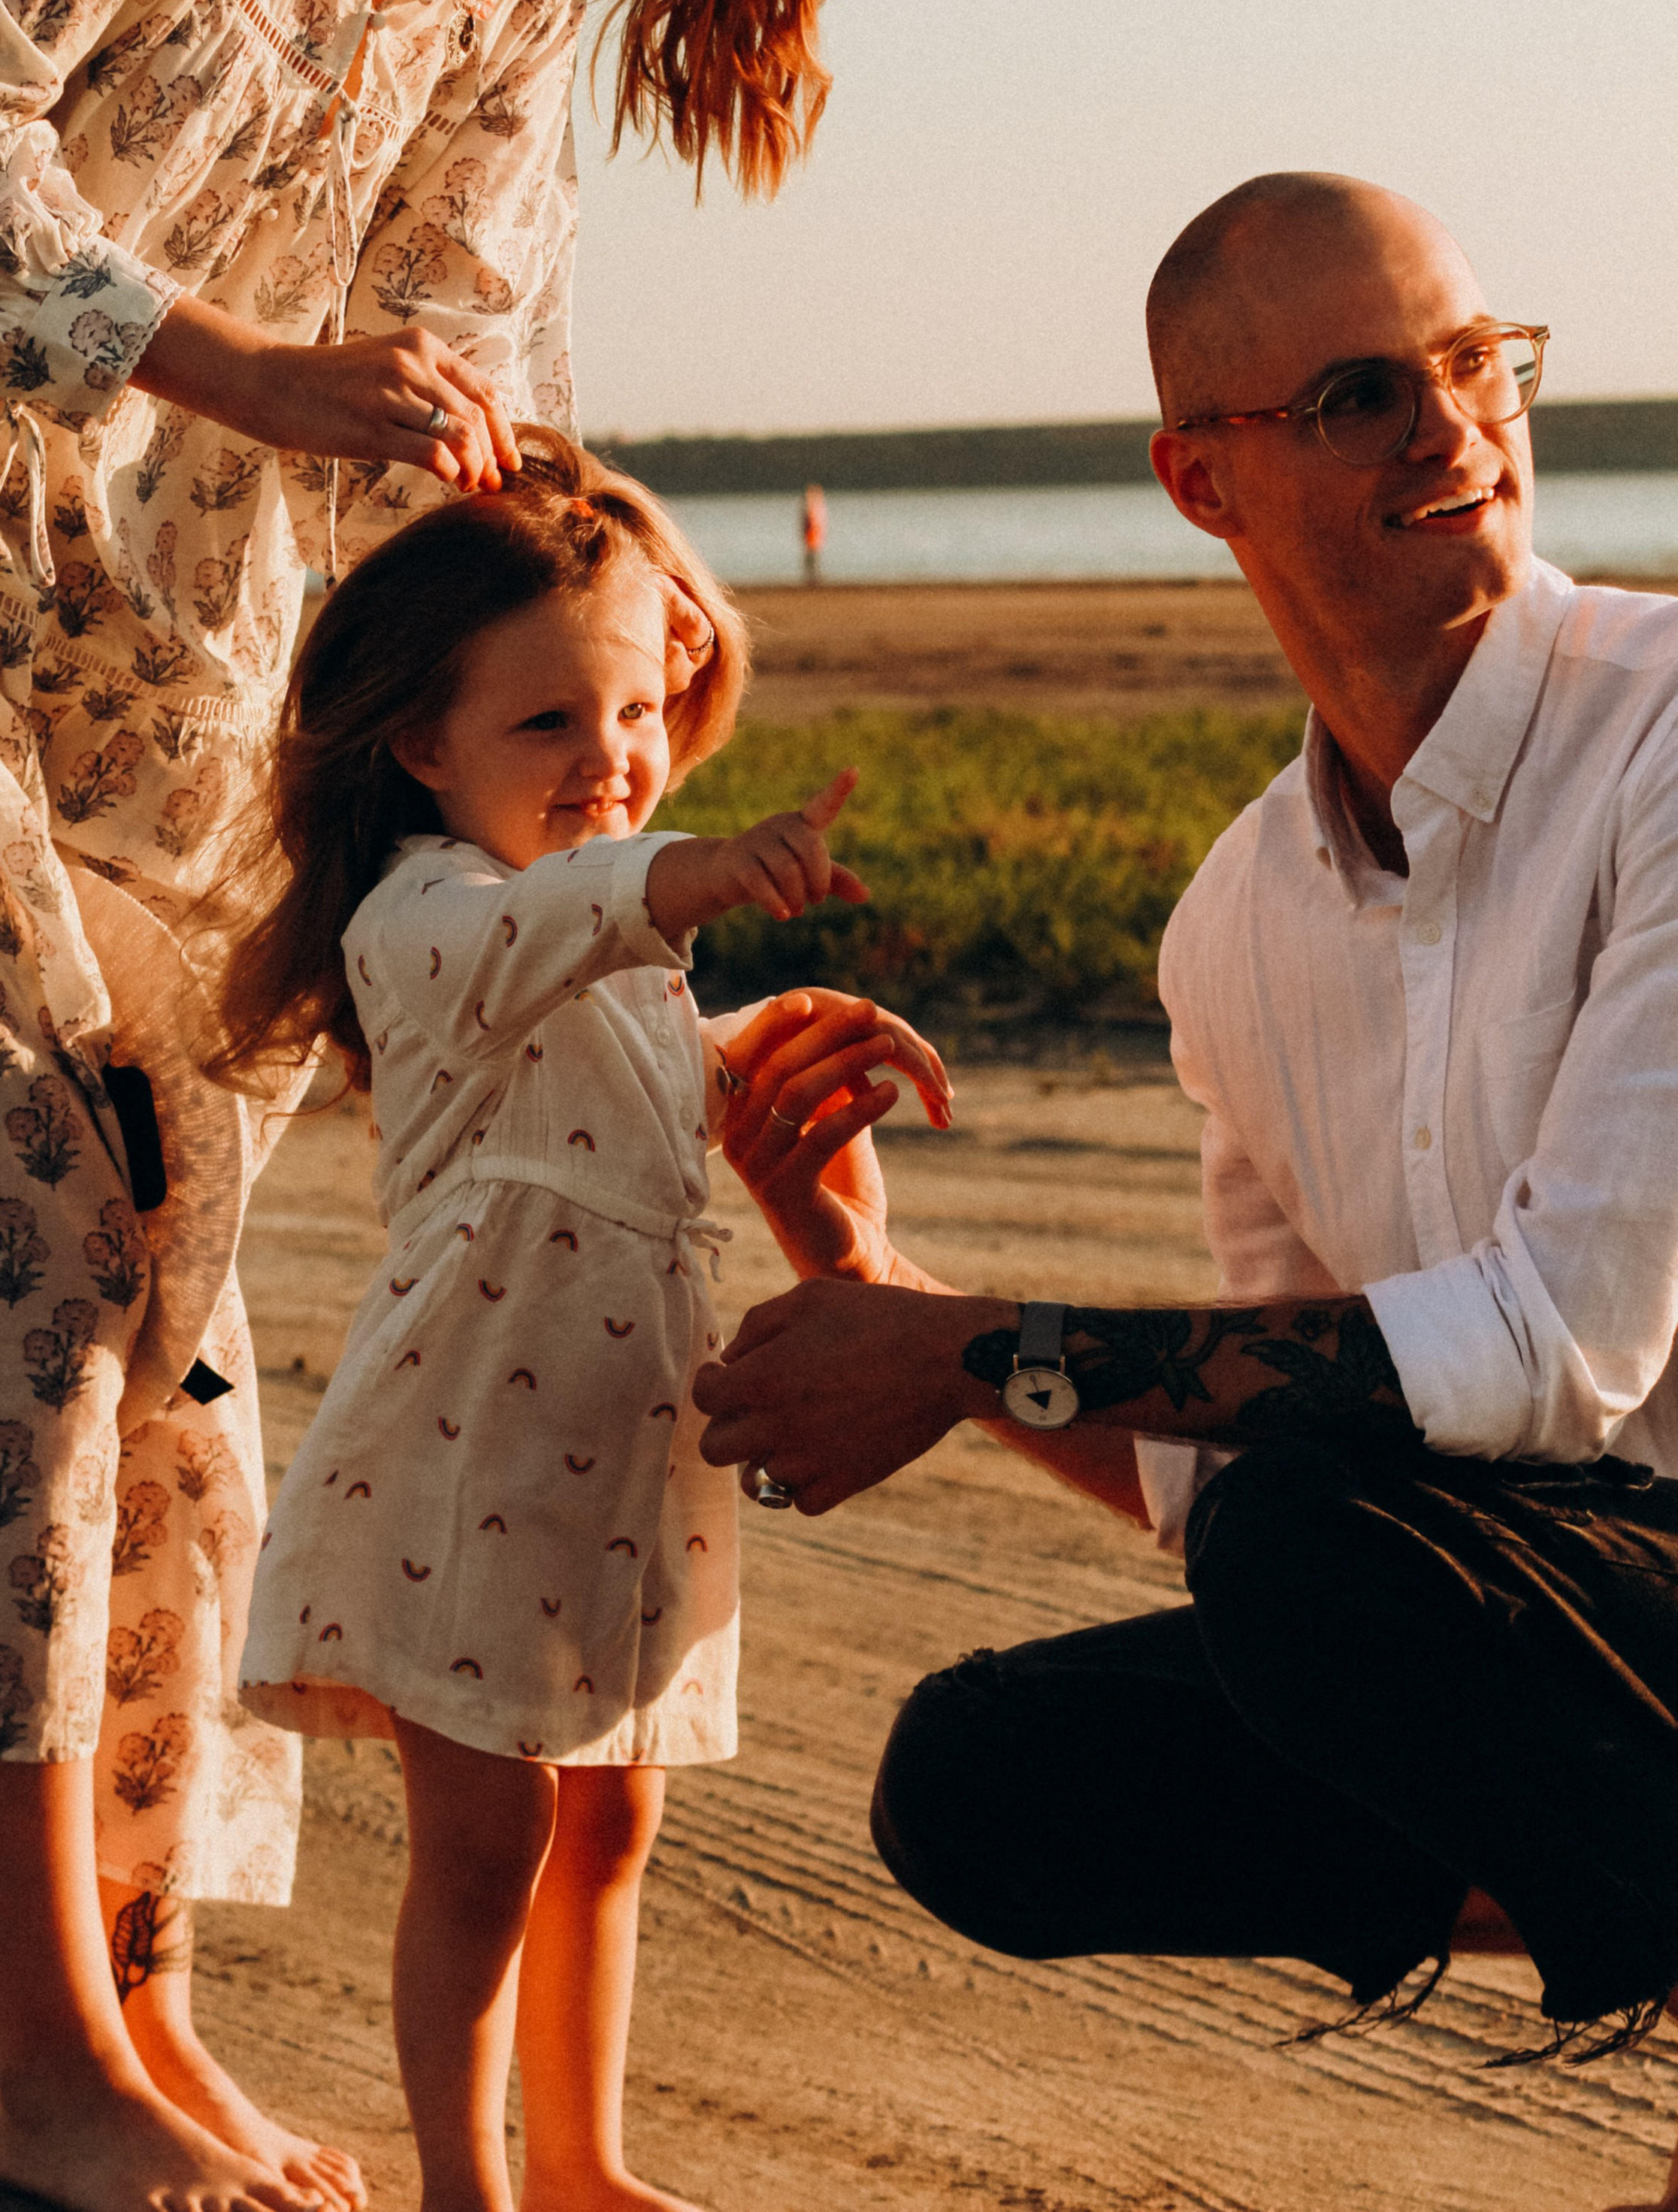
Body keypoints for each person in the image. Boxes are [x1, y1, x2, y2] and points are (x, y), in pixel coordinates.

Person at [0, 0, 920, 2212]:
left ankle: (139, 2042)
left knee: (164, 1324)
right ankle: (50, 2080)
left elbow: (466, 406)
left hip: (205, 697)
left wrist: (625, 577)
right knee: (6, 1286)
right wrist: (232, 364)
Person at [694, 171, 1678, 2176]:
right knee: (983, 1773)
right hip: (1544, 1644)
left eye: (1478, 362)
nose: (1457, 429)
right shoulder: (1235, 925)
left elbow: (1558, 1342)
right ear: (1198, 480)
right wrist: (892, 1286)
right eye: (1358, 395)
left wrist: (976, 1351)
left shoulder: (1663, 739)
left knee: (1322, 1559)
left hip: (1637, 1607)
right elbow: (1216, 1471)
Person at [213, 434, 949, 2212]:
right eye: (545, 726)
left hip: (621, 1461)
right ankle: (470, 2184)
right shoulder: (430, 918)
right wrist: (703, 865)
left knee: (610, 1823)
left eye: (628, 713)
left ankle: (583, 2168)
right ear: (420, 748)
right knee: (487, 1843)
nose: (608, 760)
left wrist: (788, 1030)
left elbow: (636, 1054)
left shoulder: (603, 946)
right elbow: (567, 915)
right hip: (468, 1457)